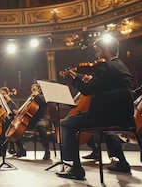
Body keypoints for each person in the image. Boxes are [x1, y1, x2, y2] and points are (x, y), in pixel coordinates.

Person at [57, 37, 134, 180]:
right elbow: (105, 87)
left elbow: (87, 91)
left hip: (105, 118)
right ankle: (121, 162)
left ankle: (73, 168)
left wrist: (75, 78)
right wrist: (93, 80)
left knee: (66, 123)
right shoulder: (121, 66)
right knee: (105, 129)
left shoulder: (105, 67)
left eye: (97, 50)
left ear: (105, 49)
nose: (96, 54)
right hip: (126, 118)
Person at [23, 83, 52, 160]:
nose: (33, 91)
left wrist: (37, 95)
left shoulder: (43, 97)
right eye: (32, 90)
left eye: (34, 90)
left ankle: (47, 150)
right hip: (33, 120)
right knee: (19, 125)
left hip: (43, 119)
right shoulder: (32, 99)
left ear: (39, 90)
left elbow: (44, 103)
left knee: (40, 126)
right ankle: (21, 149)